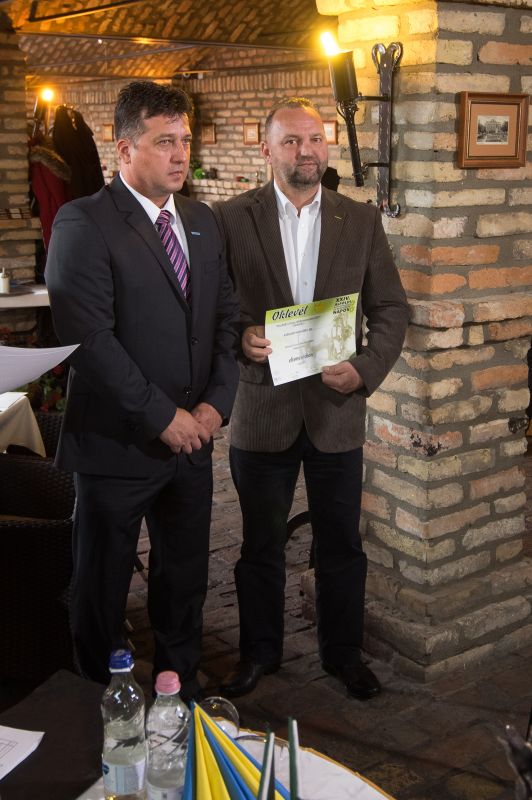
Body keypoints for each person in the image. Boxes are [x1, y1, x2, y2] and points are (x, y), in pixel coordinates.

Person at [45, 81, 239, 700]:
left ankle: (179, 690)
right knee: (102, 587)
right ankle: (100, 701)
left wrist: (215, 404)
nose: (181, 155)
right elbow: (89, 340)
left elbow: (225, 320)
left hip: (193, 442)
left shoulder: (202, 220)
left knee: (183, 580)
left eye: (185, 140)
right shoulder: (85, 221)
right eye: (164, 142)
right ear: (125, 150)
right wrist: (163, 416)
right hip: (118, 444)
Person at [213, 97, 409, 701]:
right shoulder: (228, 218)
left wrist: (365, 370)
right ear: (266, 150)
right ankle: (259, 653)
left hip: (336, 411)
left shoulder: (361, 220)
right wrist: (240, 337)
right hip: (261, 410)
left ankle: (342, 654)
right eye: (292, 141)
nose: (307, 151)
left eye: (316, 139)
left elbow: (391, 308)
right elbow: (212, 310)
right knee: (260, 545)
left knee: (342, 544)